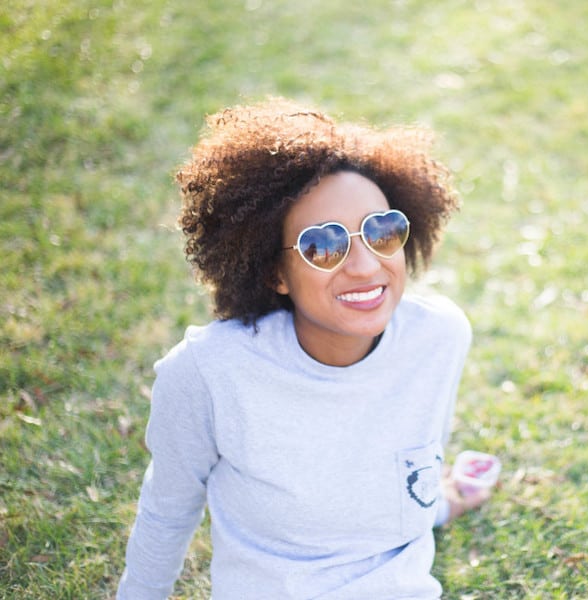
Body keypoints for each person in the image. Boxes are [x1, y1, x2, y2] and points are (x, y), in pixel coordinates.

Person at [117, 98, 491, 599]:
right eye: (324, 246)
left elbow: (402, 471)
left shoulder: (439, 337)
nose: (363, 267)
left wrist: (438, 502)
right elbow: (168, 510)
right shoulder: (208, 375)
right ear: (274, 272)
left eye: (381, 233)